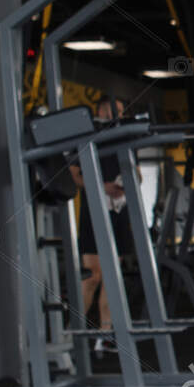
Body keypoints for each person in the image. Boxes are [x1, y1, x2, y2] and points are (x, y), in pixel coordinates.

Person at [69, 96, 129, 355]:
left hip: (118, 211)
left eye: (121, 111)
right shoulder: (84, 135)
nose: (117, 115)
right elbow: (74, 175)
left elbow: (134, 172)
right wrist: (102, 186)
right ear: (101, 109)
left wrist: (123, 184)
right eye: (113, 110)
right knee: (93, 276)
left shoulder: (124, 137)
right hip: (93, 212)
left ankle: (105, 335)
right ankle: (74, 336)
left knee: (113, 278)